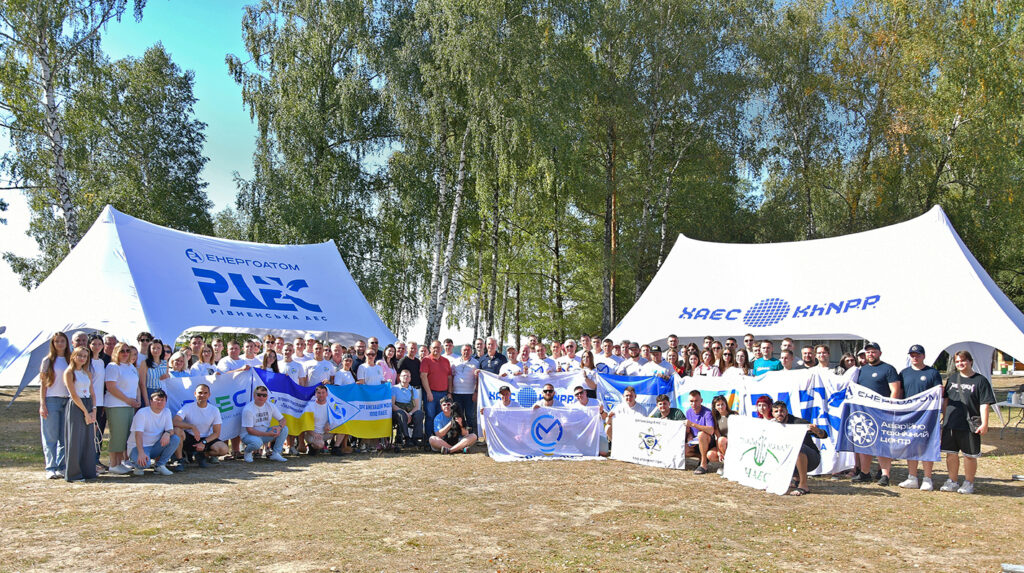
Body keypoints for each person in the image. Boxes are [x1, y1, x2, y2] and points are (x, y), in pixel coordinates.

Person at [939, 350, 996, 495]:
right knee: (951, 454)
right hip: (951, 423)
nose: (960, 364)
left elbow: (984, 403)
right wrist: (945, 419)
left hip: (970, 423)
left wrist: (984, 423)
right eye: (957, 361)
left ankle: (969, 483)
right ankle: (952, 481)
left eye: (963, 360)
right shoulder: (952, 379)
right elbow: (946, 400)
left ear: (970, 361)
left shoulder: (980, 381)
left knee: (969, 455)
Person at [852, 342, 901, 486]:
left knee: (882, 444)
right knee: (864, 442)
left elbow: (895, 390)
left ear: (880, 353)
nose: (870, 354)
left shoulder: (888, 369)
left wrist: (890, 409)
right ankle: (865, 473)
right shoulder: (861, 370)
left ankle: (885, 475)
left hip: (882, 412)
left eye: (873, 352)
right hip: (864, 413)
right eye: (868, 352)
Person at [898, 344, 944, 491]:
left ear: (923, 356)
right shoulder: (904, 373)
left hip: (927, 415)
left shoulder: (932, 373)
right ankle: (912, 477)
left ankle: (927, 478)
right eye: (912, 355)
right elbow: (900, 393)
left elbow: (939, 393)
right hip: (909, 415)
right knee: (911, 445)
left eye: (918, 355)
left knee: (926, 446)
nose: (915, 357)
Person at [111, 390, 181, 476]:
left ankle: (160, 465)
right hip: (138, 447)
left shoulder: (167, 412)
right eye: (157, 400)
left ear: (165, 402)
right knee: (144, 464)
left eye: (162, 400)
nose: (160, 402)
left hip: (154, 446)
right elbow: (138, 435)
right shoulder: (142, 413)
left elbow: (171, 430)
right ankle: (136, 465)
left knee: (175, 439)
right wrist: (141, 453)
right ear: (151, 401)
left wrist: (167, 433)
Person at [771, 401, 828, 496]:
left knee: (797, 446)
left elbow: (824, 435)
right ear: (772, 413)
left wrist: (817, 430)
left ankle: (803, 485)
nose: (779, 413)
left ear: (786, 411)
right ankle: (794, 479)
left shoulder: (799, 423)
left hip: (811, 459)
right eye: (776, 411)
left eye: (782, 411)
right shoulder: (773, 425)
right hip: (790, 461)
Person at [104, 341, 141, 472]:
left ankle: (121, 462)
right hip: (117, 405)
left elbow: (136, 386)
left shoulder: (131, 367)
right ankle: (114, 464)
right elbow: (111, 387)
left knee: (125, 435)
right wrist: (128, 400)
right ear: (116, 352)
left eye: (127, 351)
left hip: (129, 405)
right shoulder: (113, 366)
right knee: (117, 435)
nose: (125, 353)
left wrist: (137, 400)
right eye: (122, 351)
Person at [62, 346, 97, 482]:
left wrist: (93, 410)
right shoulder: (69, 372)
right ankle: (74, 474)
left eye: (85, 356)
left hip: (88, 404)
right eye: (80, 355)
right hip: (77, 406)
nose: (82, 358)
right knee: (75, 439)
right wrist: (85, 412)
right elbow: (74, 394)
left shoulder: (87, 373)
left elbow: (92, 393)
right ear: (74, 356)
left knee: (88, 439)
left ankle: (87, 471)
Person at [173, 383, 228, 468]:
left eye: (205, 393)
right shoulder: (187, 407)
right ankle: (180, 459)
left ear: (209, 395)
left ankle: (201, 455)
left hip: (205, 439)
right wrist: (192, 426)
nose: (202, 395)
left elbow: (216, 433)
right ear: (195, 394)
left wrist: (203, 442)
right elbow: (175, 422)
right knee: (176, 430)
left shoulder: (214, 410)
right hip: (189, 437)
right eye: (200, 393)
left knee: (224, 449)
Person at [240, 385, 288, 463]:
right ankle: (247, 452)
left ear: (267, 396)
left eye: (264, 395)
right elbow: (249, 430)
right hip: (248, 436)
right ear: (254, 395)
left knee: (284, 429)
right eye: (259, 395)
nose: (261, 397)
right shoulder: (248, 409)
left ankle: (276, 453)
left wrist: (279, 427)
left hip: (264, 434)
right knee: (257, 443)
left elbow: (283, 419)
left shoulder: (270, 406)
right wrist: (268, 434)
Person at [421, 340, 453, 436]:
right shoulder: (426, 360)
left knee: (441, 416)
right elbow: (423, 376)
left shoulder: (446, 361)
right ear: (430, 349)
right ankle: (429, 437)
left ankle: (440, 437)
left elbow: (449, 377)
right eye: (434, 347)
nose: (436, 349)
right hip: (431, 393)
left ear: (441, 349)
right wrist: (428, 392)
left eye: (438, 347)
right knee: (430, 416)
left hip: (443, 393)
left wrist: (449, 392)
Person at [684, 390, 716, 474]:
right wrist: (689, 437)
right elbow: (690, 430)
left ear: (701, 401)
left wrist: (693, 424)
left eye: (696, 401)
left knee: (701, 434)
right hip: (695, 442)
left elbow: (711, 430)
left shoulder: (707, 412)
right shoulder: (688, 412)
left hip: (707, 441)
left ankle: (703, 465)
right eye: (691, 401)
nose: (693, 403)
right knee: (683, 449)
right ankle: (702, 457)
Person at [392, 370, 425, 447]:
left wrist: (410, 414)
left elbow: (416, 406)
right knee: (401, 414)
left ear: (410, 378)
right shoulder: (394, 388)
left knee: (419, 413)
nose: (406, 377)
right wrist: (405, 413)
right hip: (398, 413)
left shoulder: (413, 390)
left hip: (410, 412)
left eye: (408, 376)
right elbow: (392, 405)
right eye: (404, 375)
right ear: (399, 377)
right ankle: (406, 438)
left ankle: (416, 438)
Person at [451, 344, 479, 431]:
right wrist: (450, 391)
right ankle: (459, 433)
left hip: (470, 394)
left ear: (471, 351)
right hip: (456, 393)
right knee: (458, 415)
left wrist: (476, 392)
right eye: (464, 350)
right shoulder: (455, 362)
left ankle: (470, 434)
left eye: (468, 350)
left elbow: (478, 379)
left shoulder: (476, 363)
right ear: (461, 351)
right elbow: (451, 376)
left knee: (469, 415)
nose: (466, 352)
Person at [300, 385, 332, 455]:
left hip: (326, 433)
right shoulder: (310, 406)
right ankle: (312, 447)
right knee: (320, 444)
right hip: (313, 434)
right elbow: (305, 424)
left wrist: (329, 423)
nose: (321, 395)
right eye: (319, 393)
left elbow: (337, 419)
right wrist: (314, 434)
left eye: (323, 393)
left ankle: (336, 447)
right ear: (315, 394)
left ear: (327, 394)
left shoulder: (331, 405)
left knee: (343, 427)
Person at [708, 395, 735, 473]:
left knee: (722, 440)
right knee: (710, 454)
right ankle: (725, 464)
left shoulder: (733, 415)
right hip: (722, 444)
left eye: (722, 404)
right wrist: (719, 452)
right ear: (715, 407)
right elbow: (717, 436)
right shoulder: (716, 419)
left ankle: (729, 466)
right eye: (718, 405)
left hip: (733, 442)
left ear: (726, 404)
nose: (721, 407)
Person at [138, 338, 169, 404]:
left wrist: (167, 376)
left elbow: (167, 378)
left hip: (162, 392)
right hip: (149, 392)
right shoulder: (145, 363)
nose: (156, 350)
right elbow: (142, 384)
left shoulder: (165, 363)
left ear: (162, 349)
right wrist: (147, 401)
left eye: (158, 348)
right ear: (150, 349)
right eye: (153, 348)